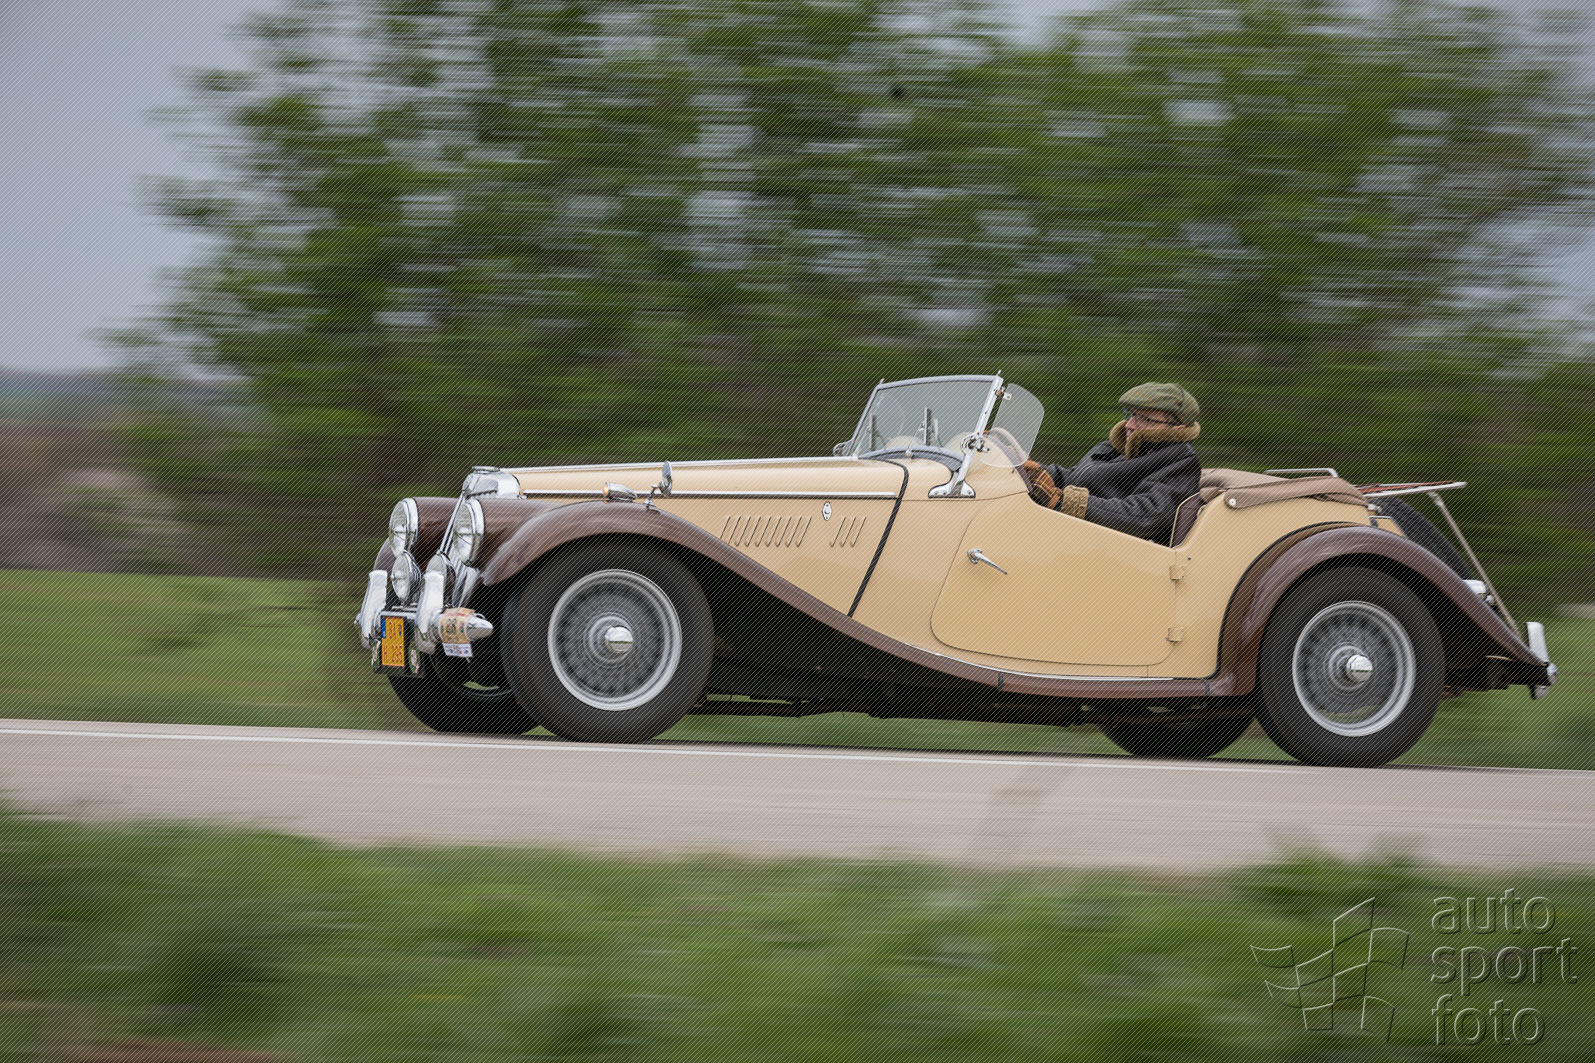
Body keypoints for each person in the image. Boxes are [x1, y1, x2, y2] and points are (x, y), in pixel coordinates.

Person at [1020, 382, 1201, 542]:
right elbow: (1074, 478)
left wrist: (1063, 502)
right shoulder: (1121, 448)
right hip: (1072, 535)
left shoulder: (1181, 461)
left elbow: (1146, 516)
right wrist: (1030, 469)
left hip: (1112, 552)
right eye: (1131, 415)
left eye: (1144, 419)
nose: (1129, 425)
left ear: (1176, 429)